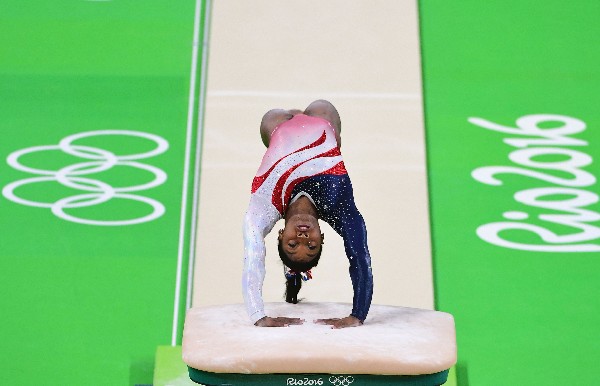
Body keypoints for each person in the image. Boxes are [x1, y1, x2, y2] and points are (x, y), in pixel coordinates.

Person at [243, 100, 373, 329]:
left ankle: (291, 121)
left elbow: (253, 258)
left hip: (277, 126)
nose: (303, 238)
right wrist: (357, 315)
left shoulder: (265, 205)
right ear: (322, 237)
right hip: (324, 120)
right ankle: (321, 127)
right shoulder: (339, 205)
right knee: (322, 110)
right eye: (311, 246)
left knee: (272, 121)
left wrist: (258, 315)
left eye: (292, 244)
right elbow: (360, 258)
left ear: (280, 235)